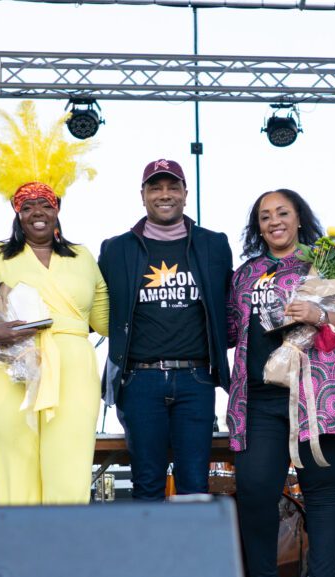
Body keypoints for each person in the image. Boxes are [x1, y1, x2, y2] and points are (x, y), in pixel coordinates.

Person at [228, 189, 335, 577]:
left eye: (282, 213)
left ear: (298, 219)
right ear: (258, 226)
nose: (274, 221)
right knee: (255, 493)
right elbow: (232, 330)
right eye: (265, 216)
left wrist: (318, 313)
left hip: (320, 398)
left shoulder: (327, 262)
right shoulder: (244, 275)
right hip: (259, 397)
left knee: (324, 495)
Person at [0, 101, 107, 505]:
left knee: (68, 473)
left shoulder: (83, 256)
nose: (37, 212)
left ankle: (63, 562)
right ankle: (15, 560)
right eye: (27, 206)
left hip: (74, 371)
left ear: (57, 209)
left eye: (45, 203)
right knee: (14, 475)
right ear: (17, 214)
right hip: (11, 371)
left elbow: (105, 320)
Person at [97, 160, 232, 501]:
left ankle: (192, 557)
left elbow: (231, 305)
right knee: (147, 484)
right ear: (142, 195)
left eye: (173, 187)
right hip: (140, 380)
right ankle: (151, 557)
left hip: (196, 379)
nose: (165, 194)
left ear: (186, 194)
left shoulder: (214, 245)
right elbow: (94, 306)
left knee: (195, 485)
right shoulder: (116, 249)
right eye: (155, 187)